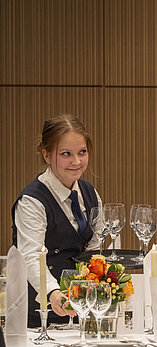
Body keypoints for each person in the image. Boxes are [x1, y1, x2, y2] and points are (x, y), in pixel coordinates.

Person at [12, 114, 101, 328]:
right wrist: (52, 292)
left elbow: (95, 247)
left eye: (82, 152)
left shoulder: (89, 192)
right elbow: (30, 255)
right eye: (66, 154)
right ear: (46, 154)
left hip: (82, 310)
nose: (76, 161)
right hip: (41, 315)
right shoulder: (32, 200)